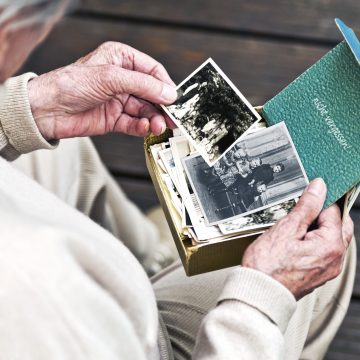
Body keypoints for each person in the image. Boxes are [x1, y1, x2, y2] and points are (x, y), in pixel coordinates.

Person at [0, 1, 356, 359]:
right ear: (7, 36)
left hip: (80, 269)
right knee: (326, 244)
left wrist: (21, 111)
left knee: (59, 154)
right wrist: (264, 299)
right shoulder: (35, 294)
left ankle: (154, 258)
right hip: (133, 340)